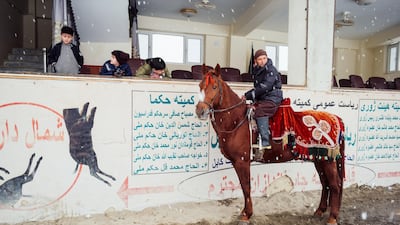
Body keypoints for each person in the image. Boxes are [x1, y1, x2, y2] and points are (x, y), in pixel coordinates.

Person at [244, 49, 283, 161]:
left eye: (264, 58)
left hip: (272, 98)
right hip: (264, 98)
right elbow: (259, 88)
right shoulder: (258, 71)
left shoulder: (271, 70)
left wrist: (248, 95)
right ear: (256, 61)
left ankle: (265, 142)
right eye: (260, 59)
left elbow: (265, 86)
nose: (262, 61)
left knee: (260, 110)